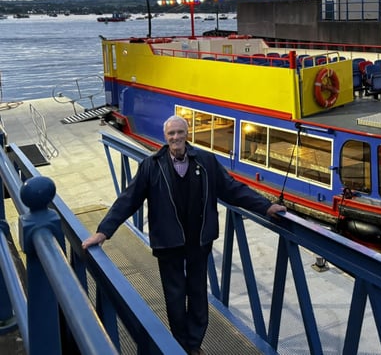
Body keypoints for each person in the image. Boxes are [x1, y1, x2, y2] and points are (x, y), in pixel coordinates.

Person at [82, 115, 286, 355]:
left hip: (199, 240)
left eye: (180, 132)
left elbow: (233, 190)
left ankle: (195, 344)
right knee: (175, 296)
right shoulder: (151, 165)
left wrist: (265, 206)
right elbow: (129, 199)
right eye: (171, 134)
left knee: (198, 293)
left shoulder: (206, 161)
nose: (176, 137)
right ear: (165, 137)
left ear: (187, 134)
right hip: (169, 242)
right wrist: (103, 232)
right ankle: (181, 344)